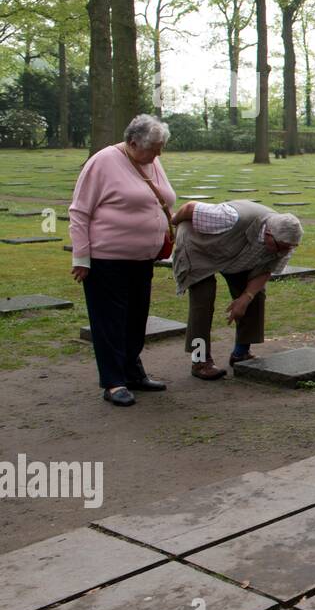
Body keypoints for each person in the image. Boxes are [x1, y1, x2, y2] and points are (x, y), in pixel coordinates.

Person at [68, 114, 175, 407]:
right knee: (110, 321)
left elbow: (161, 199)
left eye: (161, 147)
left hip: (142, 259)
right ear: (131, 143)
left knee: (136, 318)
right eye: (154, 147)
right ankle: (114, 382)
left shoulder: (151, 161)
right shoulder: (102, 162)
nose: (159, 154)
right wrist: (81, 257)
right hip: (107, 259)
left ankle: (132, 372)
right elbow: (79, 212)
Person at [171, 200, 302, 380]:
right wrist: (172, 223)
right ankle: (200, 361)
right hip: (199, 247)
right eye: (281, 247)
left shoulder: (284, 242)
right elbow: (188, 208)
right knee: (203, 300)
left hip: (237, 253)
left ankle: (241, 353)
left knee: (254, 296)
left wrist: (245, 298)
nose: (284, 252)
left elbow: (265, 270)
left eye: (289, 248)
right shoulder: (229, 217)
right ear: (268, 234)